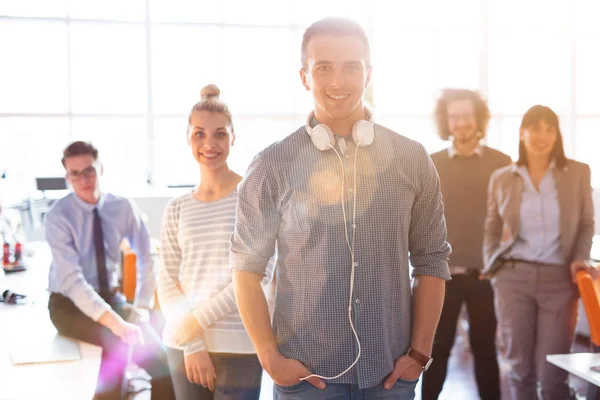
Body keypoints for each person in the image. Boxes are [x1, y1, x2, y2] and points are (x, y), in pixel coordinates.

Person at [230, 17, 451, 399]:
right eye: (324, 68)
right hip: (306, 377)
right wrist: (269, 358)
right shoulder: (272, 165)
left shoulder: (412, 159)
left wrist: (419, 353)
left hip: (390, 374)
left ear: (368, 75)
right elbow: (246, 268)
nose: (338, 81)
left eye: (352, 67)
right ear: (304, 77)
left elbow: (432, 261)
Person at [158, 84, 271, 399]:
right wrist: (191, 341)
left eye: (220, 134)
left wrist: (196, 321)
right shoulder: (177, 207)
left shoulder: (253, 198)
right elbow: (166, 280)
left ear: (233, 137)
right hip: (184, 345)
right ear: (188, 138)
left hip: (240, 344)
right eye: (199, 134)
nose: (209, 144)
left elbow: (258, 275)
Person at [45, 141, 175, 400]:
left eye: (89, 170)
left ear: (100, 168)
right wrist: (118, 324)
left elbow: (146, 255)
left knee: (163, 362)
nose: (83, 179)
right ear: (67, 177)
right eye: (75, 173)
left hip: (112, 297)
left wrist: (141, 306)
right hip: (67, 304)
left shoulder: (122, 207)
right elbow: (73, 282)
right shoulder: (58, 217)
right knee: (117, 345)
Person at [484, 105, 596, 400]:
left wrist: (579, 258)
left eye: (550, 128)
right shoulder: (503, 177)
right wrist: (492, 266)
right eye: (535, 128)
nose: (542, 135)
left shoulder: (578, 173)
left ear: (557, 134)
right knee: (520, 371)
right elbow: (492, 227)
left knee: (553, 375)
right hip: (513, 278)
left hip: (558, 280)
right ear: (522, 133)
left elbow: (586, 223)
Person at [422, 89, 511, 400]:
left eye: (466, 115)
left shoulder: (501, 163)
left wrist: (498, 263)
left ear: (478, 120)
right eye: (454, 116)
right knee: (436, 350)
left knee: (485, 350)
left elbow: (511, 220)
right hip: (441, 276)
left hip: (484, 275)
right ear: (446, 121)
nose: (460, 122)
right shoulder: (431, 163)